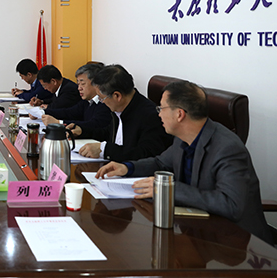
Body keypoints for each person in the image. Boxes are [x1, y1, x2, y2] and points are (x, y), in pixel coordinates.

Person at [96, 80, 273, 245]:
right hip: (195, 228)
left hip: (235, 243)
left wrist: (171, 190)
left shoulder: (227, 148)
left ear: (179, 114)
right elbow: (160, 163)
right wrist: (127, 167)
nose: (159, 114)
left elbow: (231, 205)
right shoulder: (183, 138)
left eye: (161, 108)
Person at [70, 64, 172, 161]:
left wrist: (105, 150)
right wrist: (82, 131)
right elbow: (109, 133)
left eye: (102, 98)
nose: (102, 102)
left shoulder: (150, 116)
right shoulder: (120, 108)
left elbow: (146, 153)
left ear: (117, 96)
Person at [40, 63, 110, 130]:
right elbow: (69, 113)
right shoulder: (86, 101)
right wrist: (43, 112)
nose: (79, 88)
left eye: (83, 84)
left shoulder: (105, 103)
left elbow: (93, 125)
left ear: (96, 84)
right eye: (78, 84)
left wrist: (59, 122)